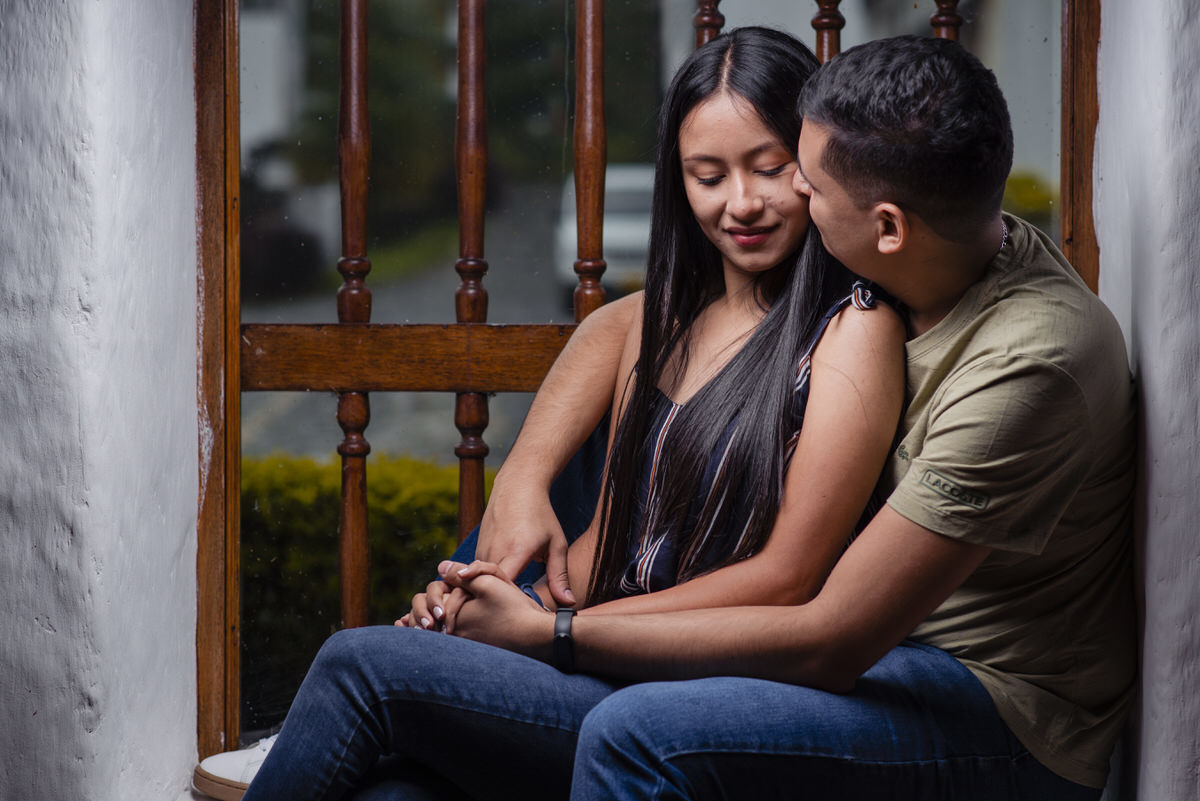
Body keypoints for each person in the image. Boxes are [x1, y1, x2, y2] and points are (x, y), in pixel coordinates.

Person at [195, 27, 905, 801]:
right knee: (393, 794)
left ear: (815, 161)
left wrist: (552, 636)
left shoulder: (853, 329)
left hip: (690, 693)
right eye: (708, 175)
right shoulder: (663, 320)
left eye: (770, 169)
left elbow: (787, 579)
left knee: (357, 664)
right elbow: (608, 547)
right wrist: (490, 611)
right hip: (599, 666)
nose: (741, 203)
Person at [437, 33, 1136, 800]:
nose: (783, 192)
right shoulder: (940, 250)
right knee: (404, 735)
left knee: (634, 732)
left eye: (795, 174)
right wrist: (521, 479)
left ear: (888, 226)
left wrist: (554, 634)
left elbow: (831, 633)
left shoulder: (1025, 364)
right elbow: (625, 322)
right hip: (888, 647)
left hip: (998, 706)